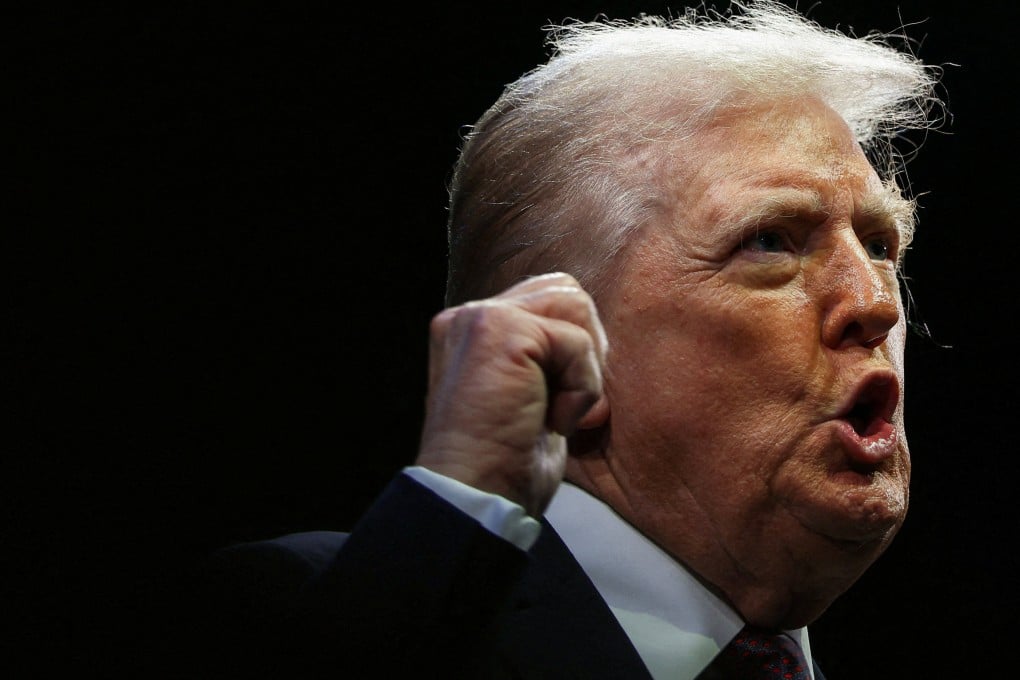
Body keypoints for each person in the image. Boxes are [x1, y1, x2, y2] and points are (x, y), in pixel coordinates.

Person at [177, 1, 945, 678]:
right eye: (772, 240)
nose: (874, 301)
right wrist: (460, 501)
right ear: (560, 337)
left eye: (880, 245)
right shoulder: (331, 614)